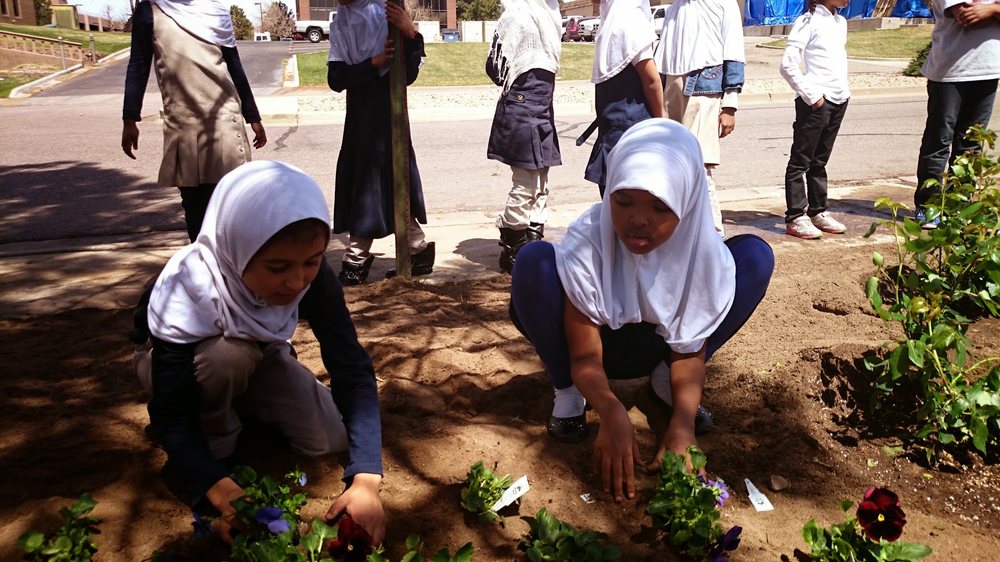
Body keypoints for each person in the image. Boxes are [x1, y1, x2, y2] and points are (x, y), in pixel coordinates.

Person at [510, 119, 774, 502]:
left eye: (659, 206)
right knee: (534, 261)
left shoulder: (701, 251)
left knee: (753, 257)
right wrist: (611, 411)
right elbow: (585, 353)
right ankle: (567, 394)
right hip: (593, 348)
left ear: (685, 202)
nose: (638, 219)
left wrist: (683, 423)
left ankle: (665, 384)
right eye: (624, 201)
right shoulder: (589, 241)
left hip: (663, 349)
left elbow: (689, 348)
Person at [133, 161, 385, 543]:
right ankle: (219, 444)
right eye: (278, 266)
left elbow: (350, 366)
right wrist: (221, 492)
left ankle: (237, 403)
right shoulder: (186, 287)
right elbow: (171, 414)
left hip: (256, 354)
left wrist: (366, 479)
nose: (297, 281)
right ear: (239, 247)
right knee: (228, 358)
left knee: (328, 439)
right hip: (174, 363)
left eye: (311, 262)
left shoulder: (312, 279)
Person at [121, 0, 267, 242]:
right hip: (184, 121)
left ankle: (230, 270)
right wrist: (129, 118)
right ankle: (204, 267)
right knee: (195, 206)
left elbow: (234, 65)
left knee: (230, 203)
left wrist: (252, 116)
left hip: (224, 117)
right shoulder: (151, 10)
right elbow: (138, 64)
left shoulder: (216, 11)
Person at [328, 0, 434, 285]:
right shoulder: (341, 19)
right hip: (359, 114)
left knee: (378, 183)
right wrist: (372, 63)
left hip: (387, 111)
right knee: (374, 183)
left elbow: (407, 74)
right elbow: (335, 78)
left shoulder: (383, 10)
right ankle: (417, 248)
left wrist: (410, 32)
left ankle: (356, 259)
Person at [655, 0, 745, 237]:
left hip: (705, 87)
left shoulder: (724, 4)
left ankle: (714, 236)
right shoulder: (674, 10)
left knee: (700, 165)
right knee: (672, 164)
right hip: (671, 88)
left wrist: (730, 105)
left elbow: (734, 51)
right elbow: (662, 57)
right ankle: (680, 233)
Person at [485, 0, 563, 273]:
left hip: (542, 104)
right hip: (522, 104)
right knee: (526, 181)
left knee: (541, 178)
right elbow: (494, 68)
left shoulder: (550, 14)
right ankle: (512, 243)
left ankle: (532, 239)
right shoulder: (516, 14)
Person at [914, 0, 1000, 229]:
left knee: (971, 145)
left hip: (988, 70)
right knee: (938, 142)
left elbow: (982, 12)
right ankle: (928, 206)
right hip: (950, 72)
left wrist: (991, 9)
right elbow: (964, 15)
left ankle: (959, 208)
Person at [778, 0, 851, 240]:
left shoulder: (840, 22)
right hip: (816, 102)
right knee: (801, 160)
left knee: (820, 160)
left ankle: (818, 211)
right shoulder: (807, 21)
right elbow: (788, 64)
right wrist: (812, 96)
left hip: (839, 99)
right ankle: (796, 216)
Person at [581, 0, 664, 196]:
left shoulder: (618, 21)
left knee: (618, 207)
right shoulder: (628, 18)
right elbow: (652, 81)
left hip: (617, 130)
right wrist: (662, 120)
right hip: (630, 129)